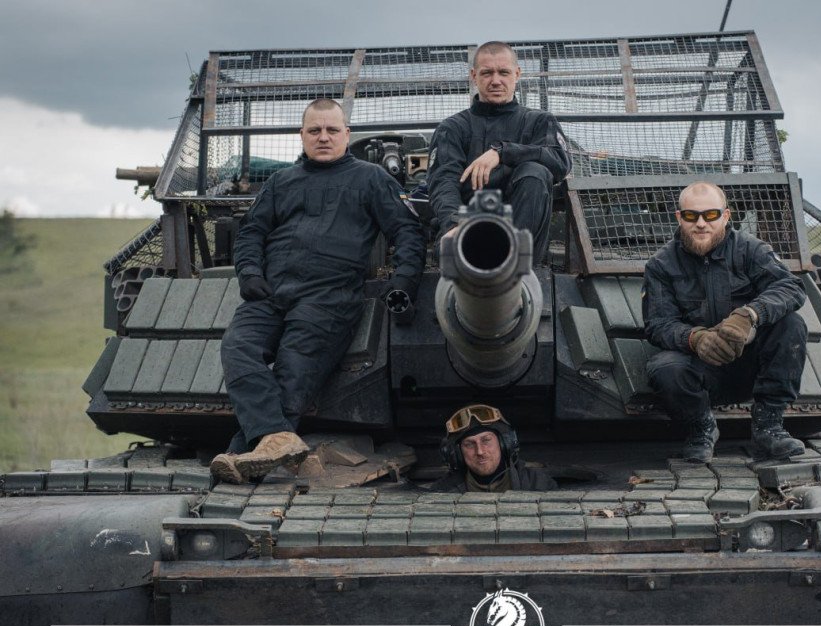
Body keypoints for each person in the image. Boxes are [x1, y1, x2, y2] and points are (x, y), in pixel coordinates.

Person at [210, 98, 426, 484]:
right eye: (314, 130)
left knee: (294, 373)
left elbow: (408, 231)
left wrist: (402, 282)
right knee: (237, 347)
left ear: (346, 135)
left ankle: (238, 453)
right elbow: (252, 233)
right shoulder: (281, 182)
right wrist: (249, 274)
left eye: (331, 130)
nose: (323, 137)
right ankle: (270, 442)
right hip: (271, 293)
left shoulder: (371, 179)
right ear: (302, 136)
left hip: (329, 298)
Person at [642, 181, 808, 463]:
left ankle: (768, 427)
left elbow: (791, 288)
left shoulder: (751, 250)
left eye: (711, 215)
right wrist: (696, 339)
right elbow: (659, 324)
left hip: (752, 365)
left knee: (791, 325)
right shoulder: (661, 265)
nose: (701, 224)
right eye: (692, 216)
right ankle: (701, 429)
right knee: (663, 368)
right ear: (679, 217)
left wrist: (750, 315)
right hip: (702, 370)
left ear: (726, 216)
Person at [427, 41, 571, 263]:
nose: (496, 81)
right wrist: (454, 223)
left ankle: (513, 266)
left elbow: (560, 161)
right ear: (474, 76)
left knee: (535, 171)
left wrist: (503, 152)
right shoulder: (452, 128)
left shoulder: (539, 122)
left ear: (517, 73)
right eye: (487, 73)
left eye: (503, 72)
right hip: (466, 235)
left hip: (524, 244)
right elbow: (443, 181)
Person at [430, 404, 557, 493]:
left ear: (505, 444)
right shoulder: (443, 491)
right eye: (469, 444)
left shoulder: (537, 484)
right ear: (457, 454)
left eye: (486, 440)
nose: (480, 451)